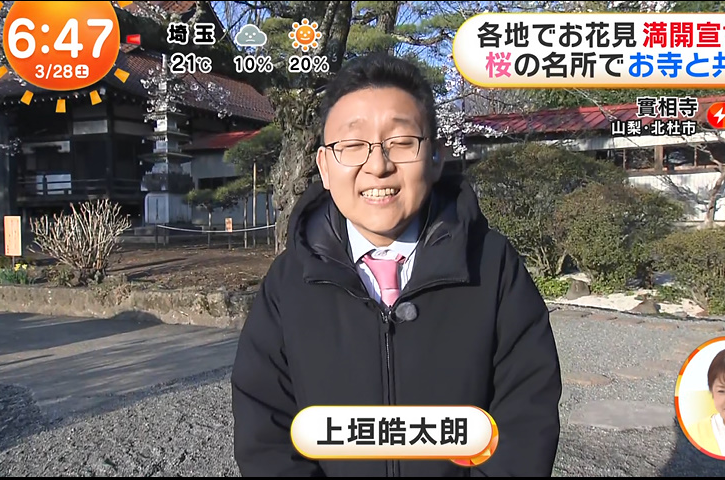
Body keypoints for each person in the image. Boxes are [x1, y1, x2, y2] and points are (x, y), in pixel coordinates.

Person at [231, 52, 562, 477]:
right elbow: (265, 430)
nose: (378, 165)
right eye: (352, 146)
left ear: (436, 156)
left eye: (402, 142)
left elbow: (525, 418)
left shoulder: (492, 266)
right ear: (325, 168)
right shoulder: (290, 281)